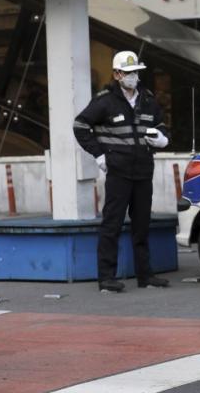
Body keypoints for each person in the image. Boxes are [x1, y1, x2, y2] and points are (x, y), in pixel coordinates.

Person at [73, 51, 171, 293]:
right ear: (117, 74)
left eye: (135, 72)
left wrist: (162, 139)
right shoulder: (104, 101)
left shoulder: (147, 99)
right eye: (128, 73)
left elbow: (161, 126)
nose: (132, 77)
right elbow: (80, 125)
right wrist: (99, 154)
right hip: (118, 171)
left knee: (142, 225)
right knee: (112, 225)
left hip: (143, 171)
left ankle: (145, 276)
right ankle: (106, 278)